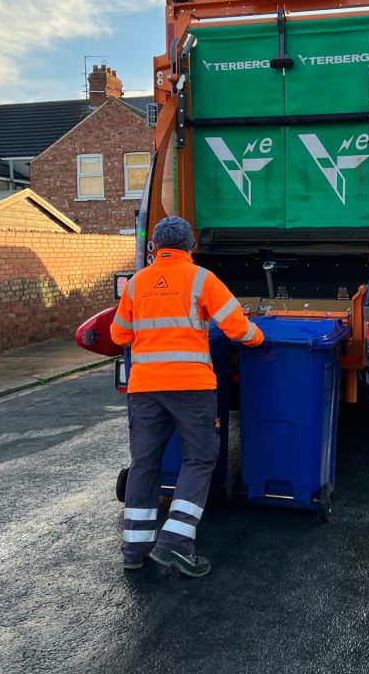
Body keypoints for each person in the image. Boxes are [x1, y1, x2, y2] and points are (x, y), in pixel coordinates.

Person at [110, 215, 263, 577]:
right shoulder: (201, 279)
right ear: (190, 247)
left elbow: (119, 335)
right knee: (199, 458)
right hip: (191, 388)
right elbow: (237, 326)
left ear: (155, 248)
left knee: (144, 463)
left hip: (145, 388)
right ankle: (176, 543)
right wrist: (257, 337)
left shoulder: (136, 284)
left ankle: (134, 547)